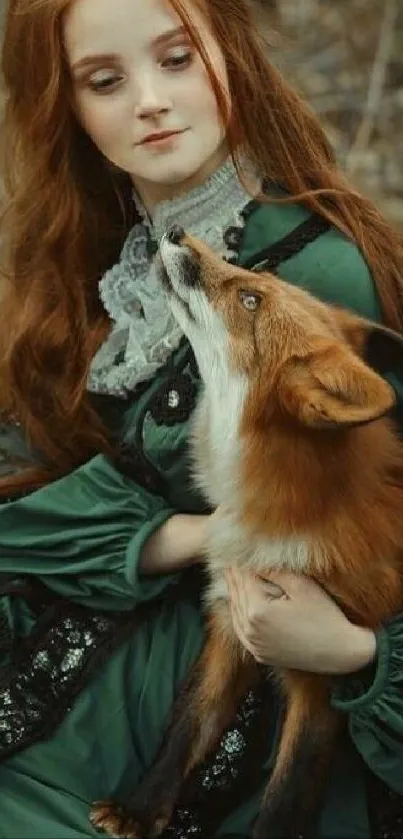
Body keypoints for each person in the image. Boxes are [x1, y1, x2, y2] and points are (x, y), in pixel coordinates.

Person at [0, 0, 402, 836]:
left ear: (234, 57)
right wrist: (179, 533)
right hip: (82, 691)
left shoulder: (318, 285)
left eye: (177, 60)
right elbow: (19, 505)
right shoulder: (106, 263)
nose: (149, 99)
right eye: (104, 81)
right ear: (64, 109)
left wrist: (358, 656)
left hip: (230, 734)